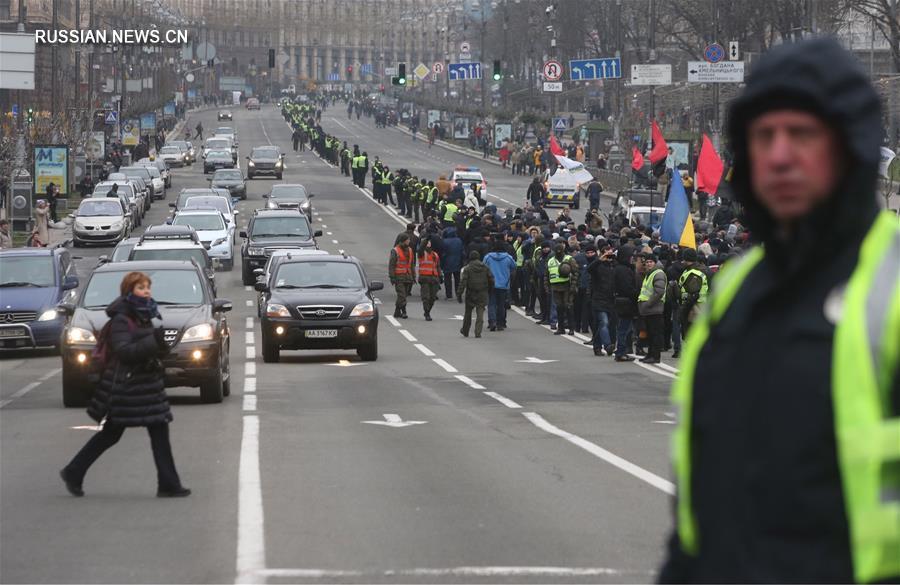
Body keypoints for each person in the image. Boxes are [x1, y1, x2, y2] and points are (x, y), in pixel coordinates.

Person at [661, 38, 900, 583]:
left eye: (803, 134)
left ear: (850, 148)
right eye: (763, 136)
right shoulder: (734, 288)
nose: (780, 154)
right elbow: (699, 504)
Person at [60, 271, 190, 498]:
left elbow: (146, 349)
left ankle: (168, 483)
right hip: (128, 386)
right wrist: (152, 342)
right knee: (112, 433)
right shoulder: (122, 319)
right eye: (141, 288)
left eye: (148, 287)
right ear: (129, 292)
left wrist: (160, 347)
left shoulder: (144, 315)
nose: (146, 291)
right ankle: (74, 471)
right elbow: (124, 351)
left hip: (146, 385)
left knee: (157, 431)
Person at [636, 252, 666, 363]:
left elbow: (659, 292)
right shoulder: (649, 273)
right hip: (648, 310)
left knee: (655, 334)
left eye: (650, 262)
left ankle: (655, 356)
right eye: (647, 262)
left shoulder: (658, 273)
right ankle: (650, 354)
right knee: (650, 334)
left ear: (655, 262)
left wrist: (648, 304)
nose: (648, 264)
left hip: (654, 309)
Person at [457, 250, 493, 338]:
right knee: (480, 313)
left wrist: (459, 293)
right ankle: (478, 332)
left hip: (471, 293)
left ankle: (465, 330)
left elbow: (463, 282)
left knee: (468, 313)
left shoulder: (467, 268)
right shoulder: (485, 267)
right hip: (482, 292)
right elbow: (491, 279)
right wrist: (490, 290)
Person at [545, 243, 579, 335]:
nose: (558, 253)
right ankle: (561, 328)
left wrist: (573, 286)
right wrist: (546, 287)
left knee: (568, 306)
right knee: (559, 308)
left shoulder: (569, 259)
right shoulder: (551, 260)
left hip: (567, 286)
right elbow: (546, 275)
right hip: (555, 286)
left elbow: (576, 273)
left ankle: (571, 328)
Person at [483, 241, 516, 331]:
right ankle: (500, 323)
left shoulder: (488, 257)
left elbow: (483, 267)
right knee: (501, 305)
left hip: (491, 284)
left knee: (491, 304)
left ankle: (492, 322)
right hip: (504, 284)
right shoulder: (508, 258)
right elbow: (514, 266)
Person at [612, 244, 638, 361]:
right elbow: (627, 288)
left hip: (623, 301)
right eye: (631, 256)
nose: (632, 258)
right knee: (624, 328)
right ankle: (621, 352)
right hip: (625, 302)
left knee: (624, 328)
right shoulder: (623, 270)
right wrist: (638, 293)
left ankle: (621, 351)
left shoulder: (622, 268)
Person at [676, 248, 708, 339]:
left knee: (691, 339)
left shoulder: (694, 273)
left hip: (694, 311)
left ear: (685, 259)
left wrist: (682, 313)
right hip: (699, 309)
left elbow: (692, 296)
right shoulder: (699, 269)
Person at [388, 234, 415, 319]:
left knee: (403, 295)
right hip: (399, 277)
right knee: (402, 295)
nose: (409, 241)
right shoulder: (395, 250)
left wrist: (414, 276)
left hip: (408, 276)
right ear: (403, 241)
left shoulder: (410, 250)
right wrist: (392, 277)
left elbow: (412, 265)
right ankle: (404, 311)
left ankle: (397, 311)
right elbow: (391, 265)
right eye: (408, 240)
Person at [416, 238, 442, 321]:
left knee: (433, 298)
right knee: (426, 297)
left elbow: (438, 266)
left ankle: (428, 311)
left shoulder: (435, 254)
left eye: (429, 242)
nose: (428, 243)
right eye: (427, 243)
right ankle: (427, 313)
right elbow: (421, 248)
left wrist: (440, 276)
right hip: (425, 278)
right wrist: (426, 239)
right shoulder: (421, 253)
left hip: (434, 278)